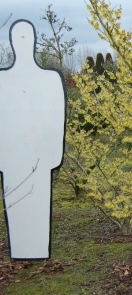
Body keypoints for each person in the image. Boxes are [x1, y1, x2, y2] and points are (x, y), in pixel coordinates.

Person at [0, 20, 66, 259]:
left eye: (26, 37)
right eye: (19, 38)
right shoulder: (2, 82)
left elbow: (56, 118)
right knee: (17, 207)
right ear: (12, 42)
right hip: (11, 156)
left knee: (37, 209)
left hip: (39, 155)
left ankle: (37, 249)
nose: (23, 42)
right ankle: (20, 250)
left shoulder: (50, 80)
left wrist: (52, 156)